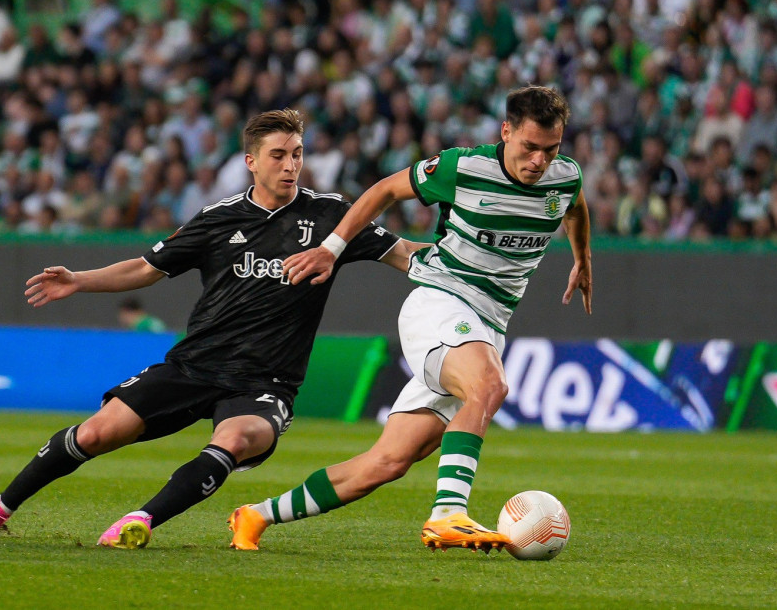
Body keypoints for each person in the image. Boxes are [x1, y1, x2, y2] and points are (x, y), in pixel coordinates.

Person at [0, 109, 425, 548]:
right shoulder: (218, 219)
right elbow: (146, 269)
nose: (290, 165)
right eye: (278, 155)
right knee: (97, 433)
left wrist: (471, 258)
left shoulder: (330, 216)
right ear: (251, 162)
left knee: (235, 441)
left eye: (297, 154)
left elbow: (404, 253)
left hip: (266, 382)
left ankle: (140, 520)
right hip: (195, 365)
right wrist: (79, 280)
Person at [229, 86, 592, 552]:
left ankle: (255, 516)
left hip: (488, 325)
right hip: (441, 302)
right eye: (529, 147)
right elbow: (383, 190)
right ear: (506, 132)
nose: (539, 161)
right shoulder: (464, 167)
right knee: (489, 386)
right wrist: (331, 248)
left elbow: (575, 206)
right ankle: (447, 514)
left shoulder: (564, 177)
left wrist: (582, 258)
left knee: (387, 462)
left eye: (551, 149)